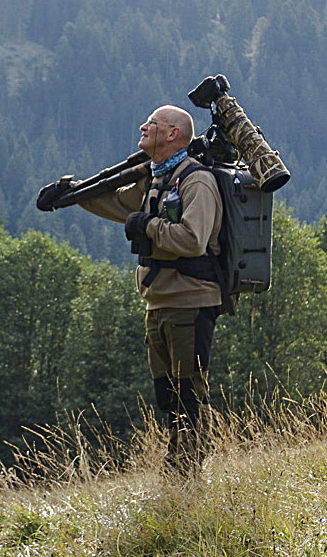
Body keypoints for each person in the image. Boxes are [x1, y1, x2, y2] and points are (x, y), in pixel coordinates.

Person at [77, 105, 223, 474]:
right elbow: (115, 203)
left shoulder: (196, 181)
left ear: (173, 134)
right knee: (167, 393)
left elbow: (193, 239)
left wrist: (148, 225)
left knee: (188, 391)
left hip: (189, 300)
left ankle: (188, 470)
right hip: (158, 301)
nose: (143, 127)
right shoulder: (157, 179)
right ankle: (177, 463)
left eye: (152, 124)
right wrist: (71, 194)